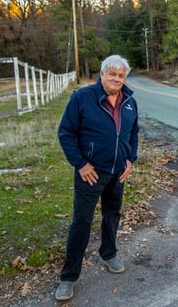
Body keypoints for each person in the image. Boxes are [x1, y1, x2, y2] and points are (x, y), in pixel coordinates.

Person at [55, 55, 139, 301]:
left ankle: (109, 253)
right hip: (91, 173)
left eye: (121, 75)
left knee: (112, 215)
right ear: (101, 74)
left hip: (117, 172)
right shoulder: (82, 98)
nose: (116, 78)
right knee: (82, 221)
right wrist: (81, 164)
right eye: (112, 74)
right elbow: (66, 133)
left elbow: (133, 132)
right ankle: (69, 277)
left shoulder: (130, 101)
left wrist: (130, 159)